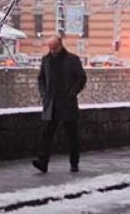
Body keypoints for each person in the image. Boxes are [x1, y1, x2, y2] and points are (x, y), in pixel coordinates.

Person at [33, 35, 87, 173]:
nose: (52, 51)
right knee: (47, 134)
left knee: (72, 135)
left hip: (67, 102)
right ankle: (43, 162)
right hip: (51, 103)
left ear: (60, 46)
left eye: (54, 48)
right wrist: (44, 94)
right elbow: (41, 78)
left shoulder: (72, 60)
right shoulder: (46, 60)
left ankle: (74, 163)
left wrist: (72, 92)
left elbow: (81, 78)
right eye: (50, 48)